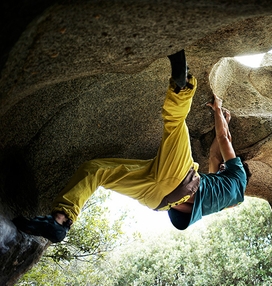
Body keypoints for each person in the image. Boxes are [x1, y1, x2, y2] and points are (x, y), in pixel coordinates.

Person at [13, 50, 251, 243]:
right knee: (95, 170)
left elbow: (223, 143)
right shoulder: (230, 200)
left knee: (176, 122)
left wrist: (218, 110)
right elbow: (214, 155)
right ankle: (60, 221)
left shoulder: (237, 175)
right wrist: (224, 123)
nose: (220, 169)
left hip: (179, 179)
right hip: (158, 201)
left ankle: (184, 82)